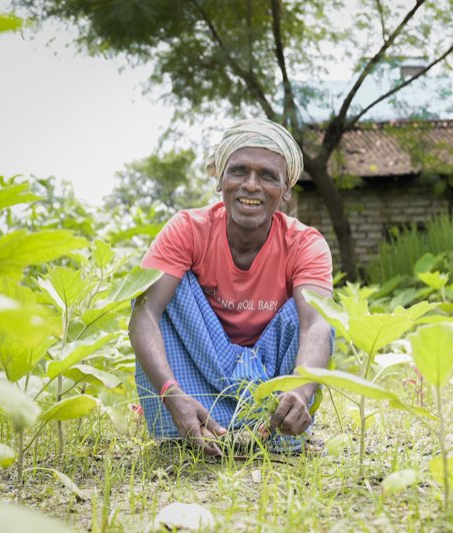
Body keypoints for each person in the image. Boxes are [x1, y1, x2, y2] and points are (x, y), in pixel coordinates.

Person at [129, 118, 333, 456]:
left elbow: (315, 324)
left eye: (267, 175)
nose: (251, 185)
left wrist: (301, 390)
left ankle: (279, 427)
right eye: (239, 171)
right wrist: (170, 392)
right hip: (202, 368)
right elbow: (145, 314)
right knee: (158, 292)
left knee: (317, 310)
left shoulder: (305, 244)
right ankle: (191, 426)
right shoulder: (187, 229)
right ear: (220, 180)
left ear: (286, 190)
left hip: (270, 374)